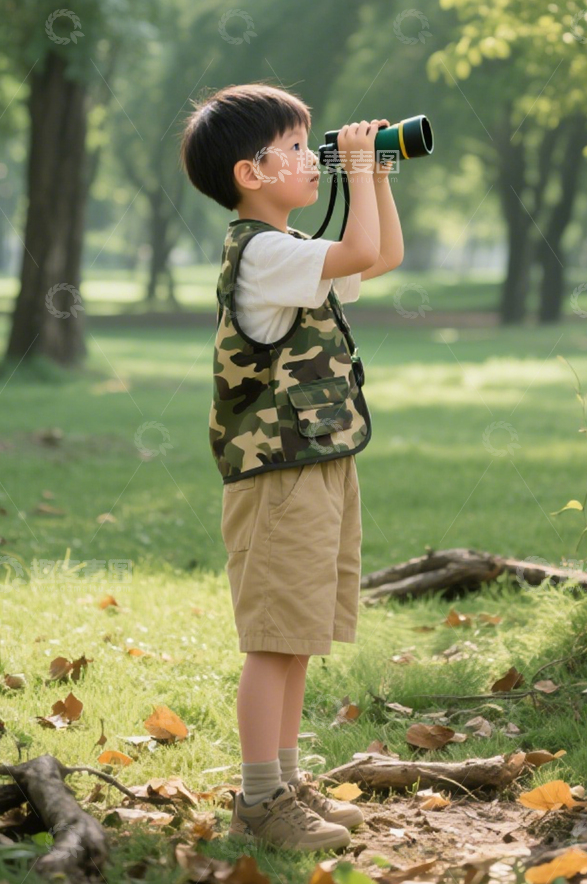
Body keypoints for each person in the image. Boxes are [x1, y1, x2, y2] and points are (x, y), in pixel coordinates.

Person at [179, 82, 404, 852]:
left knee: (297, 633)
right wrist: (362, 164)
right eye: (299, 149)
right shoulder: (267, 253)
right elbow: (366, 249)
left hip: (315, 460)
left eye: (316, 145)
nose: (315, 159)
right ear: (251, 173)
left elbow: (384, 256)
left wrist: (368, 173)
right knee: (274, 637)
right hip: (277, 471)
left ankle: (285, 782)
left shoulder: (293, 251)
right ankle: (259, 801)